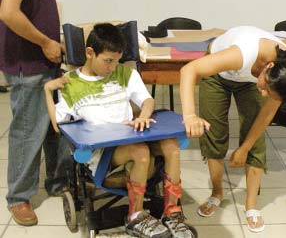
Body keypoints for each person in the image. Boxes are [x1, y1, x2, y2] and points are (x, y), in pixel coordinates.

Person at [44, 23, 194, 238]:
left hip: (133, 137)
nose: (113, 67)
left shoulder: (125, 73)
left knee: (171, 145)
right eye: (108, 61)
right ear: (89, 53)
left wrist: (143, 116)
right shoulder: (71, 84)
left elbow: (148, 101)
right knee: (140, 151)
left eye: (116, 60)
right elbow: (58, 125)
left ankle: (172, 213)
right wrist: (47, 90)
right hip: (103, 152)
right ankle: (136, 217)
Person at [179, 25, 286, 233]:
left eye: (270, 93)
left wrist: (244, 148)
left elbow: (265, 115)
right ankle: (217, 193)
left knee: (256, 142)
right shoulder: (243, 54)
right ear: (268, 66)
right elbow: (188, 70)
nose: (264, 94)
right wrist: (190, 115)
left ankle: (251, 206)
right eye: (266, 88)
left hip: (250, 80)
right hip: (219, 75)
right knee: (214, 133)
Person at [0, 0, 75, 226]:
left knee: (51, 125)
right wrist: (46, 42)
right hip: (28, 62)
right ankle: (18, 198)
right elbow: (8, 12)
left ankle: (58, 181)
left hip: (41, 61)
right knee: (28, 129)